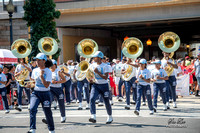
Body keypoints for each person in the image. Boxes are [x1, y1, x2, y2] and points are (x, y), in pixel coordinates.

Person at [28, 53, 55, 133]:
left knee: (47, 112)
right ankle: (32, 129)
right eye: (36, 60)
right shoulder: (34, 70)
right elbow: (33, 82)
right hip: (35, 93)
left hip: (45, 93)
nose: (37, 62)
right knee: (32, 109)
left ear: (44, 61)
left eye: (39, 60)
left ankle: (51, 129)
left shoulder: (48, 71)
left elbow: (47, 85)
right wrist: (29, 85)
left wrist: (42, 76)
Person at [88, 51, 113, 124]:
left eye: (95, 57)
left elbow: (105, 77)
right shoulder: (92, 65)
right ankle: (93, 116)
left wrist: (98, 72)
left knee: (106, 102)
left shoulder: (106, 66)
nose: (94, 58)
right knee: (92, 99)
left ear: (99, 58)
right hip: (95, 85)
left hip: (104, 85)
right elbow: (89, 75)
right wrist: (90, 79)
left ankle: (110, 116)